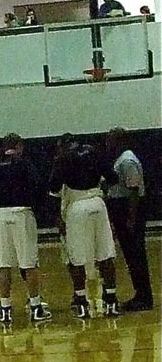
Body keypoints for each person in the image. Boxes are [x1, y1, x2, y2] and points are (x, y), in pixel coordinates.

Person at [0, 133, 51, 324]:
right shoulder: (23, 164)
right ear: (19, 146)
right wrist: (37, 206)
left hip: (2, 216)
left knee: (4, 264)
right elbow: (40, 185)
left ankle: (5, 308)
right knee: (29, 263)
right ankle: (35, 306)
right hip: (22, 214)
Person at [49, 136, 119, 318]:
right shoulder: (95, 151)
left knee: (77, 258)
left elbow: (53, 188)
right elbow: (113, 177)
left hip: (77, 207)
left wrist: (57, 217)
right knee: (105, 255)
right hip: (98, 203)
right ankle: (111, 300)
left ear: (63, 146)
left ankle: (81, 301)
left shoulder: (63, 158)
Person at [104, 127, 153, 311]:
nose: (108, 144)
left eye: (111, 140)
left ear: (120, 141)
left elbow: (133, 189)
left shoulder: (127, 160)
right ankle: (140, 294)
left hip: (129, 209)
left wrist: (131, 218)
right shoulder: (121, 159)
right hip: (123, 209)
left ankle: (144, 296)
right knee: (132, 256)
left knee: (136, 255)